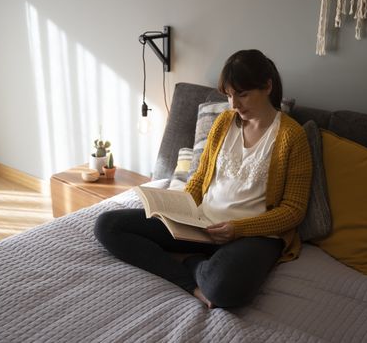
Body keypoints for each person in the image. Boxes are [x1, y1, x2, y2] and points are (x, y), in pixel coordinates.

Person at [94, 49, 312, 308]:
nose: (234, 105)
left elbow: (293, 211)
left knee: (224, 290)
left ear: (267, 86)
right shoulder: (223, 123)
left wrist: (238, 229)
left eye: (242, 95)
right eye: (229, 95)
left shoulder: (291, 136)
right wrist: (177, 209)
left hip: (254, 234)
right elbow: (199, 179)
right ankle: (192, 283)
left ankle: (188, 260)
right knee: (107, 224)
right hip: (202, 223)